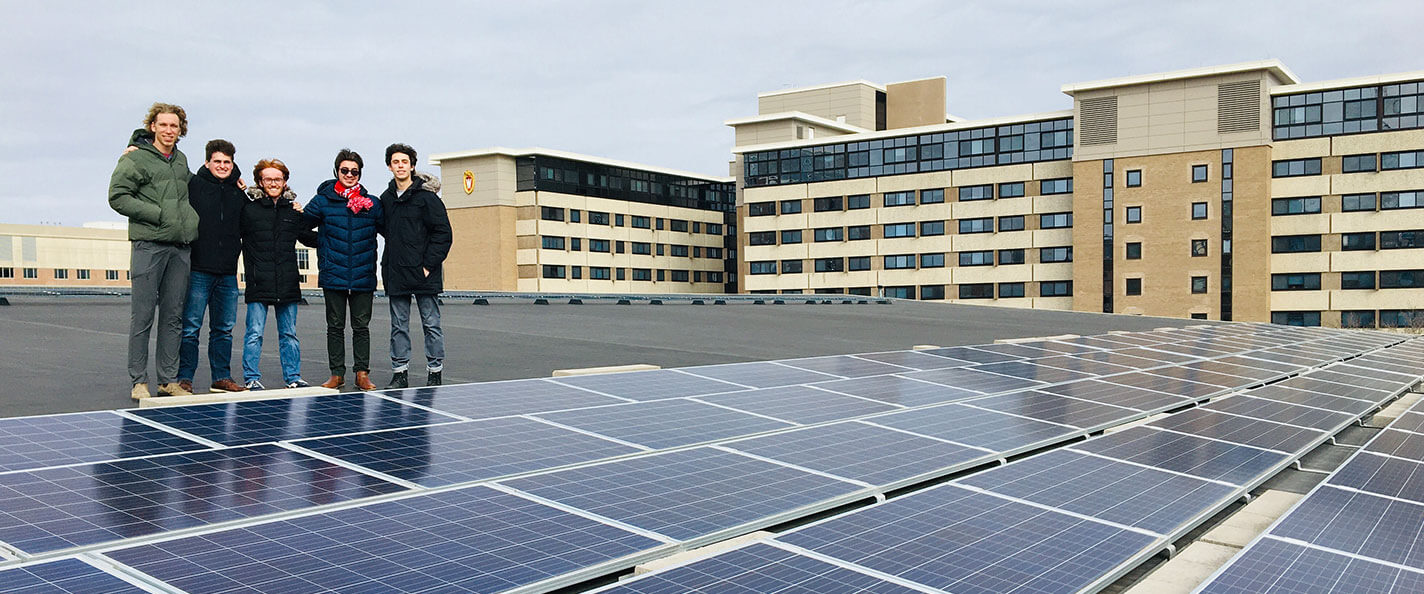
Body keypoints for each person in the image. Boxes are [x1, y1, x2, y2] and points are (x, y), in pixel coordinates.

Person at [108, 103, 199, 399]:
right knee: (143, 316)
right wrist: (157, 214)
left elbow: (194, 189)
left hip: (179, 248)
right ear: (153, 127)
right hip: (149, 245)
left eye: (174, 126)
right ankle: (139, 381)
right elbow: (118, 196)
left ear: (180, 129)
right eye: (164, 125)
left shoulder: (181, 160)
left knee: (173, 317)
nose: (169, 131)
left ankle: (168, 380)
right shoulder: (136, 159)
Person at [305, 149, 383, 391]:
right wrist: (322, 244)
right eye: (345, 170)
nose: (349, 174)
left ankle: (362, 373)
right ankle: (336, 374)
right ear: (336, 171)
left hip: (363, 275)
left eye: (354, 171)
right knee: (335, 326)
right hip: (333, 274)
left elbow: (391, 231)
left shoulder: (373, 204)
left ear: (360, 174)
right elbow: (300, 227)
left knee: (361, 326)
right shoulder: (322, 201)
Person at [175, 139, 248, 394]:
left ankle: (221, 377)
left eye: (227, 162)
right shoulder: (194, 185)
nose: (222, 166)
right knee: (191, 328)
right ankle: (184, 378)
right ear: (207, 162)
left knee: (224, 330)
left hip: (227, 273)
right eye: (217, 161)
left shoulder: (238, 192)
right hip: (198, 270)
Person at [379, 143, 452, 388]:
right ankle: (400, 373)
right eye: (395, 162)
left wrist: (428, 265)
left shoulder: (427, 198)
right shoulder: (386, 199)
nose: (400, 166)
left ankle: (435, 371)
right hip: (396, 272)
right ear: (390, 166)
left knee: (431, 323)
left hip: (423, 273)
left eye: (404, 162)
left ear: (412, 166)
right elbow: (382, 229)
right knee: (398, 325)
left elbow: (443, 233)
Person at [240, 158, 317, 390]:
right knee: (254, 333)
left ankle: (293, 378)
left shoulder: (293, 212)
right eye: (268, 179)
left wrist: (337, 235)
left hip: (287, 283)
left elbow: (309, 237)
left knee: (289, 334)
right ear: (260, 182)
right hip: (258, 281)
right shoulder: (249, 210)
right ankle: (251, 378)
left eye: (278, 179)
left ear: (285, 182)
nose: (273, 183)